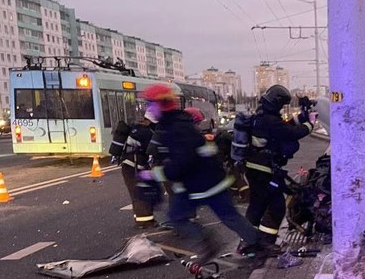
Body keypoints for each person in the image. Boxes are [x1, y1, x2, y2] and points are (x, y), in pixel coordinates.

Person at [141, 84, 263, 261]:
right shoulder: (177, 123)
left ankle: (210, 242)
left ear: (161, 104)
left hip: (201, 184)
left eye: (149, 104)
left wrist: (155, 174)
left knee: (178, 218)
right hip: (205, 181)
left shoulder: (174, 128)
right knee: (228, 217)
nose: (148, 108)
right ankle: (257, 243)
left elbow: (182, 161)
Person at [235, 84, 313, 251]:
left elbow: (285, 126)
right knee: (277, 206)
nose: (282, 108)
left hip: (257, 168)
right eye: (282, 104)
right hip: (264, 170)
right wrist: (310, 125)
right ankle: (266, 242)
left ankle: (249, 241)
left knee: (257, 205)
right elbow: (290, 133)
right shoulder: (269, 120)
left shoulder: (263, 116)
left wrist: (302, 115)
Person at [110, 111, 158, 228]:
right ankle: (144, 222)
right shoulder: (146, 132)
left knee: (137, 192)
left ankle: (143, 219)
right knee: (140, 192)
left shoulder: (135, 128)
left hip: (129, 165)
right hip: (135, 166)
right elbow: (152, 150)